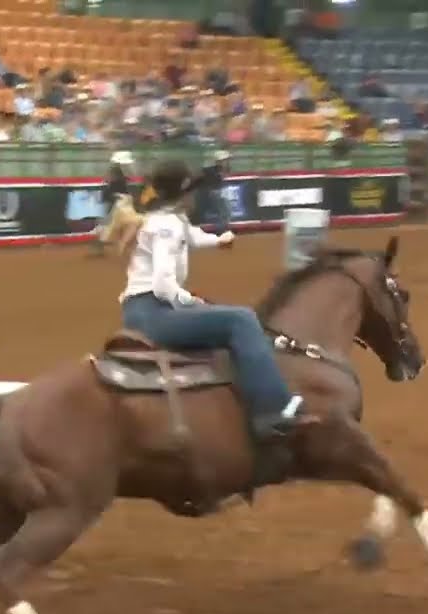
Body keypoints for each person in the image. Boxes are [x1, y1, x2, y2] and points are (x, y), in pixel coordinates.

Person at [118, 159, 317, 441]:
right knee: (241, 319)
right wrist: (188, 301)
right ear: (185, 194)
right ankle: (273, 410)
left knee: (226, 316)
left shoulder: (167, 221)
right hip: (154, 313)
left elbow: (191, 237)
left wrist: (218, 241)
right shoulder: (167, 226)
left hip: (144, 310)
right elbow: (164, 285)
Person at [91, 150, 134, 257]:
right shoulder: (118, 175)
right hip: (120, 200)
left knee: (111, 223)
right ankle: (102, 245)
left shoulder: (118, 175)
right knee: (110, 223)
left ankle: (102, 245)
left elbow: (112, 188)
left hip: (121, 200)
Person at [200, 148, 231, 234]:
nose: (226, 162)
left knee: (224, 213)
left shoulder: (220, 169)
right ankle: (220, 231)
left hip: (219, 192)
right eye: (224, 160)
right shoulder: (212, 170)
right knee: (224, 212)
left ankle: (220, 230)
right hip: (216, 192)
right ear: (219, 161)